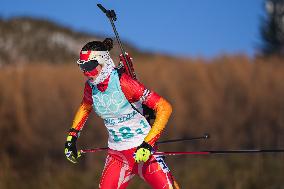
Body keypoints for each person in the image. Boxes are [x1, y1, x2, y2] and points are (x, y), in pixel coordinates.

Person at [64, 38, 180, 189]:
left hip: (143, 152)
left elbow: (164, 107)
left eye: (90, 66)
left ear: (103, 61)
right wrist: (71, 138)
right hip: (117, 156)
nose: (86, 72)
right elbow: (85, 107)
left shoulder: (123, 82)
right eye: (82, 67)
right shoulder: (91, 87)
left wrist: (148, 144)